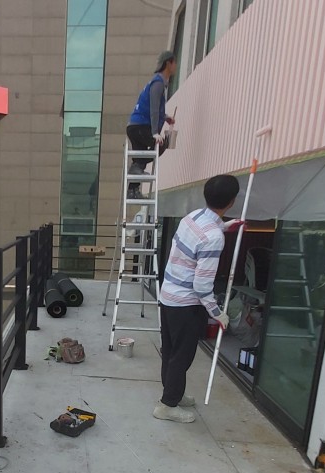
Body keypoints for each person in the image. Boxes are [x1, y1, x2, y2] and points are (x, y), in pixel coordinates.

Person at [154, 174, 240, 423]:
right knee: (181, 356)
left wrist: (225, 226)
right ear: (232, 201)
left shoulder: (192, 217)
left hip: (168, 297)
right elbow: (202, 286)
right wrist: (217, 313)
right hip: (186, 304)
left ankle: (173, 393)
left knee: (171, 351)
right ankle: (167, 405)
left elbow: (202, 236)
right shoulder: (213, 238)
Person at [126, 51, 177, 199]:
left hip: (135, 126)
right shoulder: (158, 83)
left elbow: (152, 108)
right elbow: (154, 109)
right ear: (168, 63)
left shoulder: (157, 83)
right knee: (161, 144)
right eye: (174, 62)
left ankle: (133, 191)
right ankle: (135, 169)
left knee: (140, 159)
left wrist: (165, 117)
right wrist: (155, 133)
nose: (176, 66)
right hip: (141, 126)